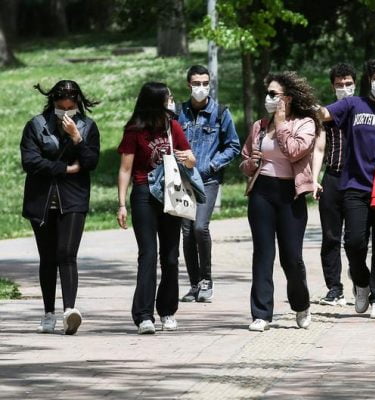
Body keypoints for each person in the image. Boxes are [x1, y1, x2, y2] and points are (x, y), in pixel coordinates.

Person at [316, 58, 375, 319]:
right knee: (354, 242)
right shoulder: (353, 104)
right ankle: (361, 281)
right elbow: (324, 114)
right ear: (369, 80)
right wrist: (301, 100)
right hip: (354, 185)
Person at [240, 71, 319, 332]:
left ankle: (301, 304)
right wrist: (250, 164)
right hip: (262, 191)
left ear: (288, 98)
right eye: (268, 93)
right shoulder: (260, 126)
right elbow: (245, 159)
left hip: (290, 194)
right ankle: (261, 313)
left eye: (274, 94)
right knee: (263, 253)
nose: (269, 98)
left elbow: (295, 151)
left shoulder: (305, 123)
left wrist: (282, 123)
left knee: (291, 257)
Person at [21, 80, 100, 335]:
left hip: (73, 198)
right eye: (61, 107)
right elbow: (30, 161)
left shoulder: (87, 126)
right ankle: (48, 313)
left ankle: (69, 311)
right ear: (53, 103)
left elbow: (91, 162)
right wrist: (64, 168)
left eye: (70, 108)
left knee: (67, 253)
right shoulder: (36, 125)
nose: (65, 112)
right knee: (48, 257)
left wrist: (77, 138)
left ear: (77, 104)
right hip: (41, 198)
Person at [117, 82, 196, 334]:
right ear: (155, 102)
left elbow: (190, 158)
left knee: (171, 256)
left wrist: (189, 159)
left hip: (171, 193)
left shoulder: (173, 126)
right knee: (148, 254)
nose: (172, 101)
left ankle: (167, 311)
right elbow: (125, 169)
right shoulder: (134, 131)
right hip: (144, 194)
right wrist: (121, 204)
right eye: (168, 97)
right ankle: (143, 316)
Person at [177, 65, 240, 304]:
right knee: (186, 232)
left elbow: (233, 145)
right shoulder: (179, 113)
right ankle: (194, 284)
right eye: (196, 83)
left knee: (200, 228)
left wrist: (213, 165)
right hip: (183, 181)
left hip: (208, 179)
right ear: (188, 85)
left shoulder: (220, 113)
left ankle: (206, 280)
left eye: (205, 83)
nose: (201, 87)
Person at [311, 63, 357, 306]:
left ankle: (359, 276)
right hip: (333, 176)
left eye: (348, 84)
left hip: (358, 180)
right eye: (339, 84)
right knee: (330, 236)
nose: (344, 88)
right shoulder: (326, 115)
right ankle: (334, 288)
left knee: (355, 238)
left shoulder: (363, 111)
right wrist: (314, 178)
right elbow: (319, 148)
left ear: (355, 84)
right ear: (332, 87)